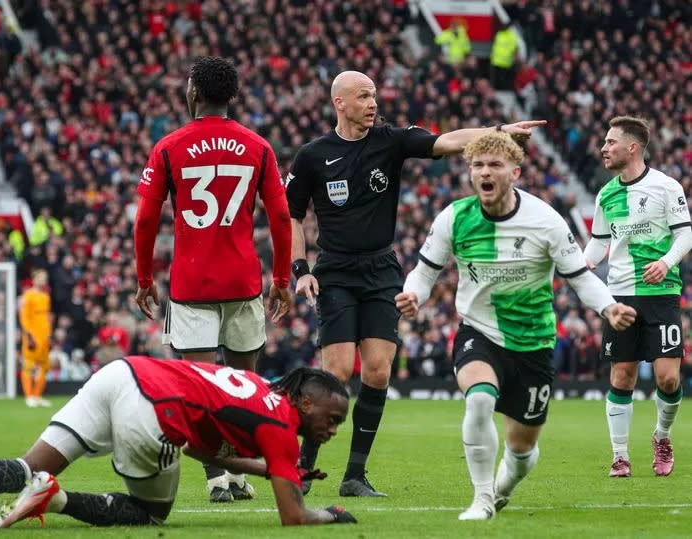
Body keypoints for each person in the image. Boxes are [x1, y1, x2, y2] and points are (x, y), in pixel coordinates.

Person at [286, 69, 545, 497]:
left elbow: (446, 141)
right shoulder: (314, 155)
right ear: (340, 103)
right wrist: (301, 269)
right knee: (336, 371)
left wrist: (497, 132)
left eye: (374, 96)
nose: (373, 103)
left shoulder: (390, 140)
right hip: (334, 271)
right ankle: (304, 466)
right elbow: (291, 215)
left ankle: (354, 476)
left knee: (378, 369)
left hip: (381, 269)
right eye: (364, 96)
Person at [395, 132, 636, 519]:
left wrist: (608, 307)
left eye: (494, 165)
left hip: (534, 342)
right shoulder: (454, 218)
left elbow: (580, 277)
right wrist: (413, 295)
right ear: (470, 172)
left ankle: (504, 486)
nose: (484, 172)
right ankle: (482, 498)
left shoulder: (545, 220)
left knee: (521, 451)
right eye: (477, 165)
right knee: (478, 399)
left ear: (515, 172)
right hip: (479, 331)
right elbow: (424, 274)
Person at [0, 359, 356, 532]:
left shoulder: (258, 389)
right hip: (154, 409)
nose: (333, 429)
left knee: (26, 465)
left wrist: (272, 471)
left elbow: (203, 452)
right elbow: (293, 517)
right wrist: (328, 515)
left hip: (122, 374)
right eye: (332, 418)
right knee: (151, 514)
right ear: (305, 401)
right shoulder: (279, 425)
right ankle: (58, 497)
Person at [134, 56, 292, 502]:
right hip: (244, 285)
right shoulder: (258, 146)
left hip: (191, 288)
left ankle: (217, 478)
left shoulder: (169, 146)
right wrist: (281, 277)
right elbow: (280, 216)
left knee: (200, 387)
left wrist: (145, 278)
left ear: (194, 93)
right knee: (245, 385)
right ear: (233, 96)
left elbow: (145, 221)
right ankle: (241, 477)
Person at [583, 116, 692, 478]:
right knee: (622, 375)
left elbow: (685, 236)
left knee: (668, 380)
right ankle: (619, 456)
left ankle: (661, 436)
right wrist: (579, 265)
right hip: (620, 296)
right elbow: (599, 243)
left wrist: (666, 262)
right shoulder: (606, 194)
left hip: (660, 293)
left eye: (610, 142)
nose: (603, 148)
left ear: (632, 147)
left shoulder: (666, 186)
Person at [19, 269, 53, 408]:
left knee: (44, 367)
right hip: (32, 336)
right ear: (34, 279)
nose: (43, 280)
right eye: (40, 277)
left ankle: (37, 396)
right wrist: (28, 333)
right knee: (29, 365)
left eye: (44, 278)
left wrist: (49, 334)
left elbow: (46, 318)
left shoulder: (46, 297)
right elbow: (24, 317)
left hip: (44, 336)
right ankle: (29, 396)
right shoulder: (28, 295)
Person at [490, 21, 518, 91]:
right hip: (496, 61)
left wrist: (514, 58)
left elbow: (515, 48)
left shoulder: (511, 36)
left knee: (503, 79)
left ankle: (503, 89)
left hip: (505, 62)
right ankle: (497, 89)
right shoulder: (499, 34)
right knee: (496, 79)